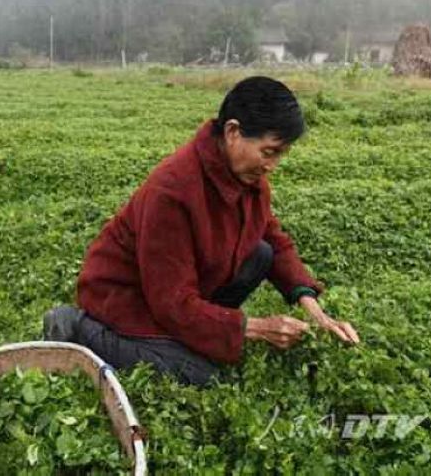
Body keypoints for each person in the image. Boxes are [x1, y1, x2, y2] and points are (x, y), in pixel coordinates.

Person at [43, 76, 360, 386]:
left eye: (281, 154)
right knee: (200, 374)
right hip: (129, 297)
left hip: (179, 286)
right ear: (233, 132)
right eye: (269, 152)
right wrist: (253, 328)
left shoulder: (248, 179)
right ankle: (77, 327)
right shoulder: (172, 192)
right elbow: (170, 302)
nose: (272, 166)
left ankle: (199, 330)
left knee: (260, 253)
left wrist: (315, 311)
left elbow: (273, 239)